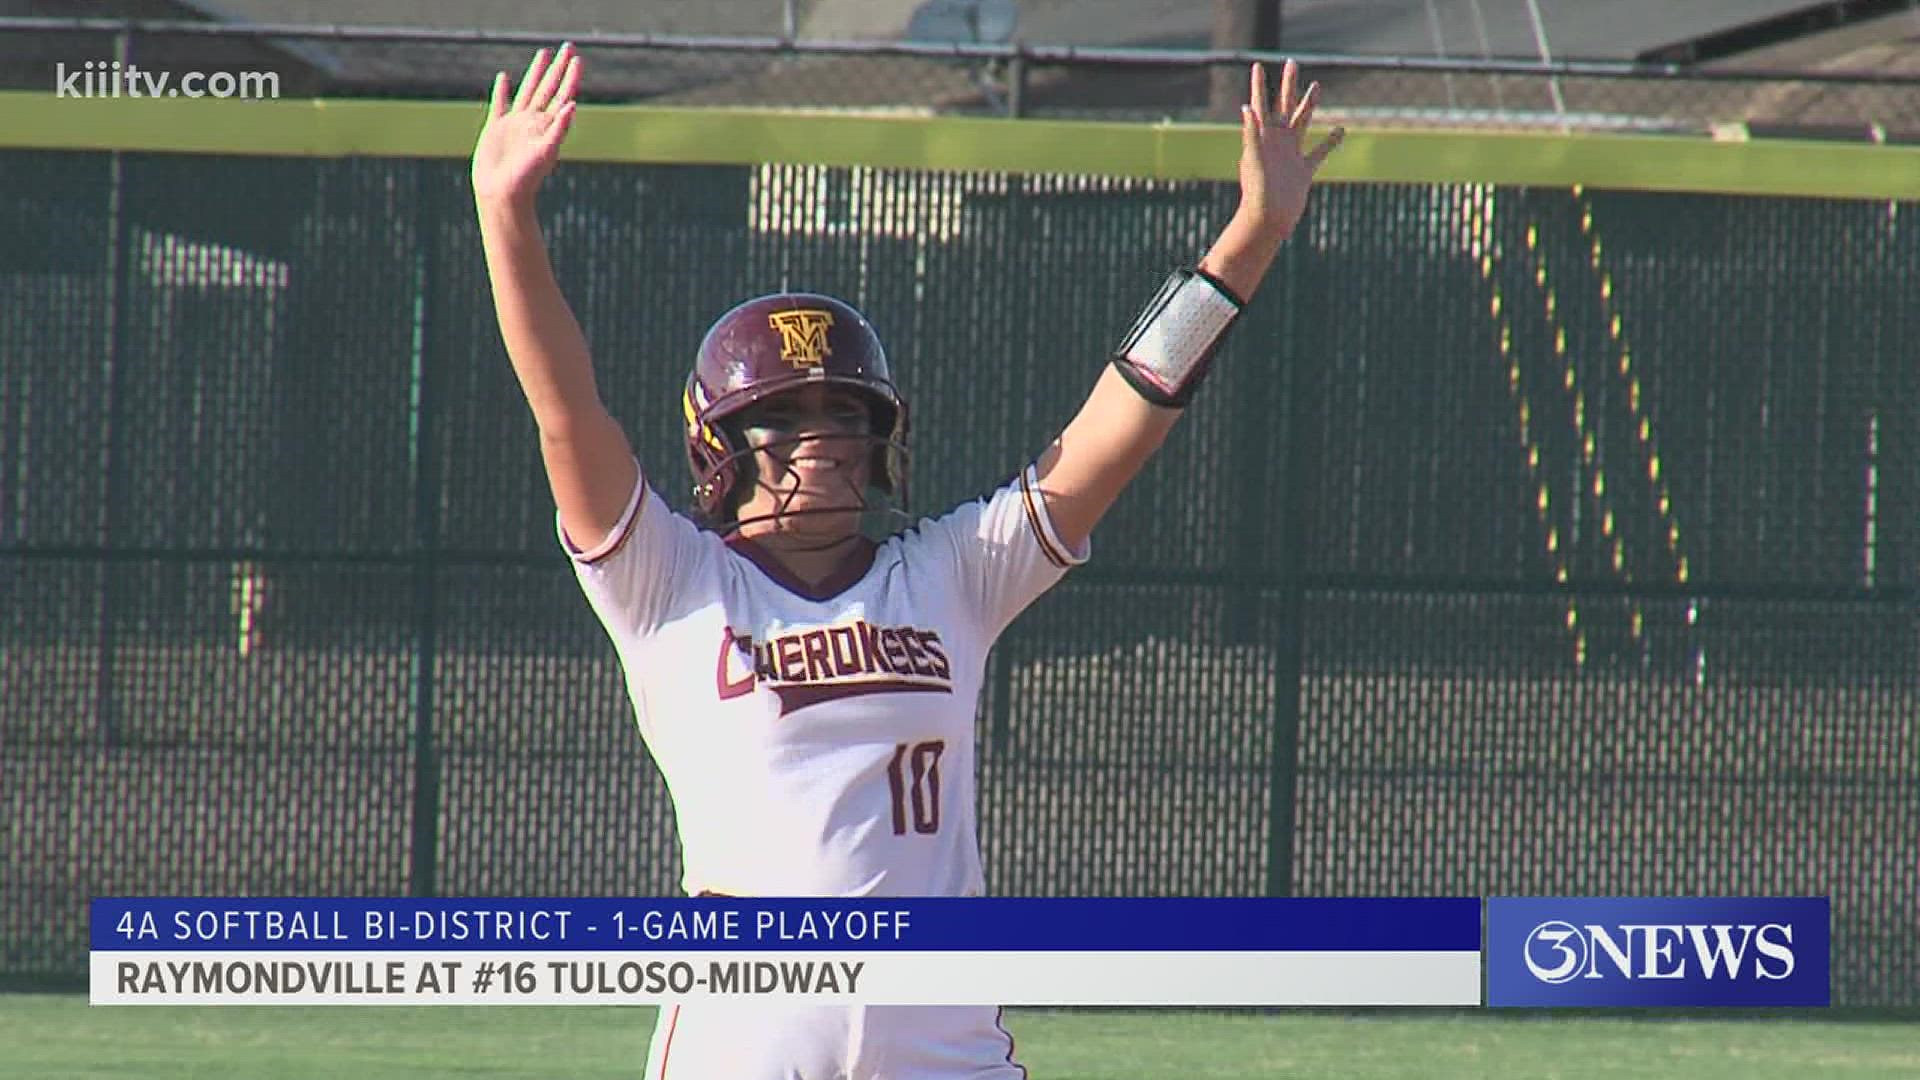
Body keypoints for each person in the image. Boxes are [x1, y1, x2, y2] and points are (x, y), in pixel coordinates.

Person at [471, 41, 1343, 1080]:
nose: (826, 438)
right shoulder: (670, 582)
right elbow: (566, 413)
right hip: (749, 1023)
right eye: (786, 418)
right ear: (719, 447)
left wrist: (1251, 238)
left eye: (846, 412)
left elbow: (1126, 414)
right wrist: (506, 217)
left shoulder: (948, 575)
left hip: (943, 1020)